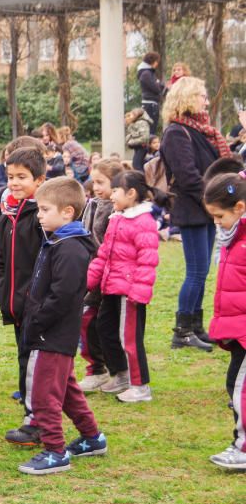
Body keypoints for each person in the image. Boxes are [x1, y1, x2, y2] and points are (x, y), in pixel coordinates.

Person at [17, 178, 105, 475]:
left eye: (44, 209)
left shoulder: (70, 249)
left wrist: (38, 320)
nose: (39, 215)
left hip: (52, 334)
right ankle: (92, 437)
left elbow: (62, 296)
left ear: (67, 212)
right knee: (67, 390)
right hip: (52, 333)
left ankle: (55, 450)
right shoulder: (58, 241)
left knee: (44, 395)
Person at [160, 76, 230, 351]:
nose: (206, 100)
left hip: (205, 208)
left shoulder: (200, 130)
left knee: (200, 273)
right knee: (196, 272)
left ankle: (196, 326)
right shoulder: (177, 132)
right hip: (193, 209)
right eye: (201, 95)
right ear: (188, 97)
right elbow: (188, 177)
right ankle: (183, 331)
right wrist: (215, 201)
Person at [87, 171, 162, 403]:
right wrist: (89, 282)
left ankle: (140, 387)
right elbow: (103, 256)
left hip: (129, 293)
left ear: (131, 193)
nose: (111, 196)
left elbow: (147, 259)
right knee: (105, 329)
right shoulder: (116, 218)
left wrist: (138, 292)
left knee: (128, 338)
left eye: (116, 191)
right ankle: (121, 374)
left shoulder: (143, 222)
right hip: (110, 287)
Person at [0, 147, 47, 446]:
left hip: (37, 306)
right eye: (10, 176)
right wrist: (3, 291)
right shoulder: (6, 217)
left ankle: (35, 421)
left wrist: (36, 298)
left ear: (39, 180)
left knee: (34, 363)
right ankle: (36, 416)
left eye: (21, 177)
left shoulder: (41, 218)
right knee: (25, 359)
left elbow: (48, 263)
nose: (14, 182)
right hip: (15, 305)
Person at [202, 164, 246, 470]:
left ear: (239, 207)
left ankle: (243, 446)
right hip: (237, 325)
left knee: (240, 386)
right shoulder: (234, 236)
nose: (217, 223)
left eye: (220, 216)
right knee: (235, 384)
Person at [77, 159, 125, 393]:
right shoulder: (91, 204)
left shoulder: (116, 211)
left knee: (105, 325)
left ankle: (109, 368)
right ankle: (96, 368)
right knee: (87, 321)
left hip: (106, 275)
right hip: (90, 272)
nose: (96, 187)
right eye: (93, 181)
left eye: (101, 182)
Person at [138, 52, 165, 134]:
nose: (157, 64)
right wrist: (159, 84)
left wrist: (158, 83)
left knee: (151, 130)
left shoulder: (148, 73)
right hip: (150, 106)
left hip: (151, 105)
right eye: (157, 61)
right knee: (151, 131)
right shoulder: (146, 74)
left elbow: (158, 85)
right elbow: (157, 88)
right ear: (154, 62)